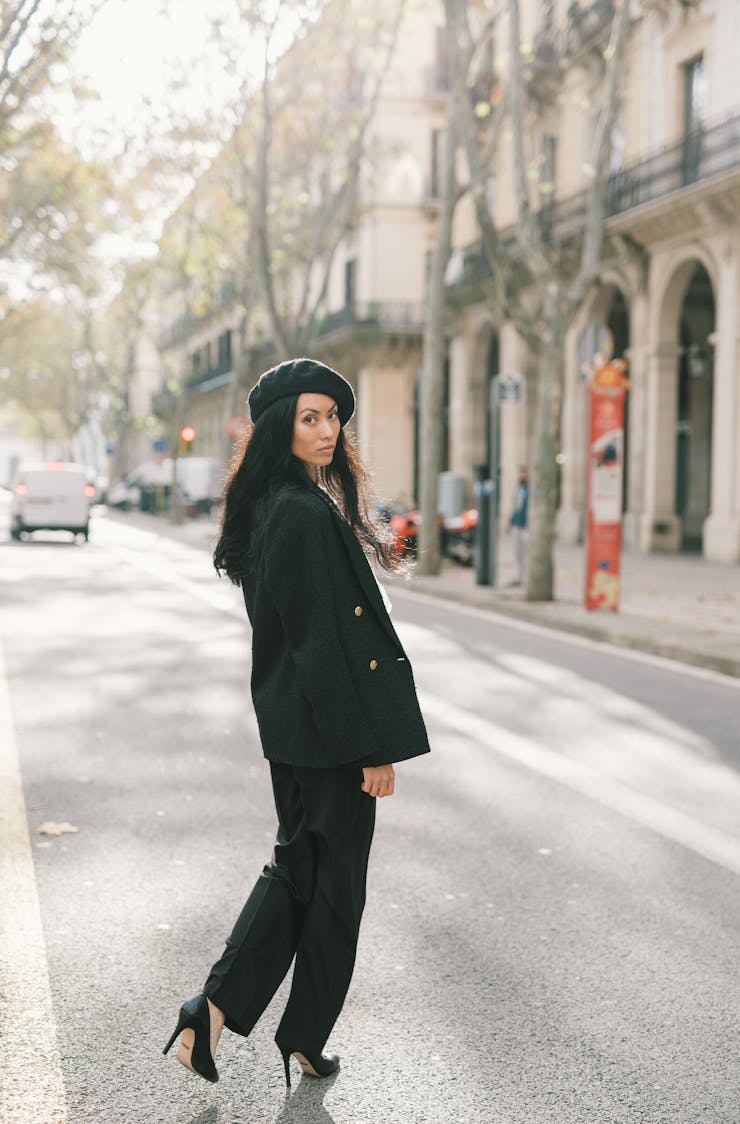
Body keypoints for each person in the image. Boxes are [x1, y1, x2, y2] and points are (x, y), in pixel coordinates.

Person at [163, 357, 430, 1089]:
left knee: (308, 877)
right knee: (325, 887)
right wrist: (369, 750)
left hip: (299, 732)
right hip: (326, 737)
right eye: (309, 418)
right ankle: (216, 1010)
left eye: (333, 417)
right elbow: (323, 648)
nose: (325, 430)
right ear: (280, 428)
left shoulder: (281, 505)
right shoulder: (301, 513)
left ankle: (281, 1031)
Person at [508, 465, 529, 587]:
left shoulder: (529, 490)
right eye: (520, 473)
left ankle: (526, 577)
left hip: (526, 526)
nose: (522, 475)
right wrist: (510, 522)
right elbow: (516, 508)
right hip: (517, 524)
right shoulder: (518, 489)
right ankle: (518, 576)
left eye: (524, 473)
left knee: (526, 552)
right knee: (517, 552)